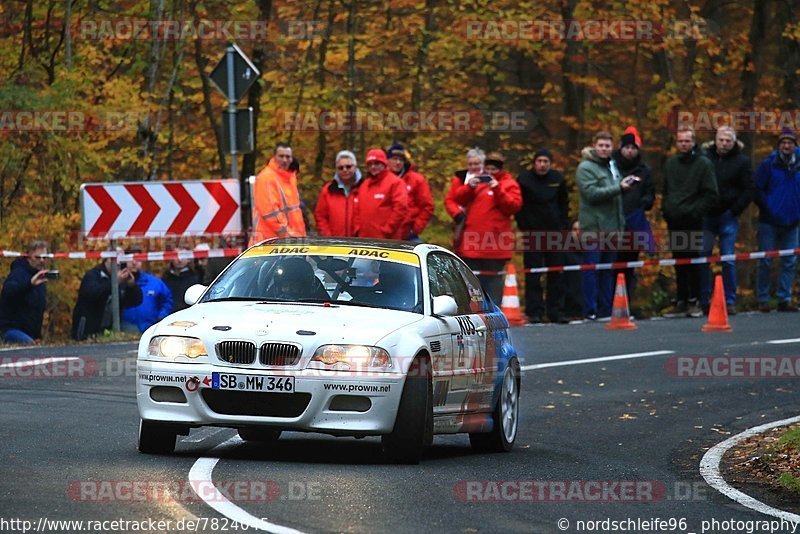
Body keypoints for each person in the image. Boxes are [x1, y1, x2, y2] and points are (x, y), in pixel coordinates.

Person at [577, 131, 638, 320]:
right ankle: (590, 310)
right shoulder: (585, 167)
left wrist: (625, 184)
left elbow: (615, 194)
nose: (604, 149)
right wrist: (619, 187)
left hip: (612, 228)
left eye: (607, 146)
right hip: (594, 229)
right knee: (592, 269)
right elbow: (592, 194)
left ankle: (605, 309)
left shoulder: (611, 164)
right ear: (594, 146)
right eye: (601, 145)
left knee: (608, 271)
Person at [451, 151, 522, 305]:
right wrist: (469, 186)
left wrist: (498, 189)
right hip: (471, 243)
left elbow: (513, 206)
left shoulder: (509, 184)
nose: (490, 173)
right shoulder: (476, 182)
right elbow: (457, 198)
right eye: (487, 169)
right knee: (471, 283)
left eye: (494, 170)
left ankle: (494, 313)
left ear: (500, 169)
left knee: (493, 283)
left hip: (495, 244)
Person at [662, 127, 719, 317]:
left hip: (693, 218)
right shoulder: (671, 164)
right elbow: (666, 189)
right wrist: (667, 209)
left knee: (693, 260)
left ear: (693, 142)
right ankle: (681, 299)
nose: (683, 144)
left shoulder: (703, 163)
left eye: (687, 141)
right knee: (679, 261)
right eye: (680, 141)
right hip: (674, 217)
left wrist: (696, 212)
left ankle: (694, 300)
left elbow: (711, 193)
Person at [699, 126, 754, 316]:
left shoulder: (742, 161)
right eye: (721, 140)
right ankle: (703, 299)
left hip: (728, 215)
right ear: (716, 140)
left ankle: (729, 300)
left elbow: (748, 189)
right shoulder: (704, 158)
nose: (724, 143)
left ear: (734, 142)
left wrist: (735, 210)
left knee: (728, 258)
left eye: (728, 140)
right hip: (706, 214)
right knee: (702, 257)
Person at [515, 148, 569, 323]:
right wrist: (524, 226)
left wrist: (562, 227)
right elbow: (519, 206)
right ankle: (534, 312)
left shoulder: (557, 179)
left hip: (554, 234)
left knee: (556, 273)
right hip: (532, 233)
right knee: (533, 274)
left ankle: (556, 311)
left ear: (550, 163)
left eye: (546, 161)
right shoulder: (524, 179)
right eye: (539, 161)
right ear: (534, 163)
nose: (542, 165)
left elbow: (564, 204)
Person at [754, 128, 800, 312]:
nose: (786, 146)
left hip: (793, 220)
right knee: (765, 259)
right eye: (783, 143)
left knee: (789, 260)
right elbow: (757, 189)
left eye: (790, 143)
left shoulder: (798, 165)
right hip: (769, 220)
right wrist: (768, 208)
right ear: (779, 145)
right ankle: (763, 298)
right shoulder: (769, 164)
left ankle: (784, 297)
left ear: (795, 145)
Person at [612, 126, 655, 303]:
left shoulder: (645, 170)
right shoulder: (611, 166)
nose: (629, 151)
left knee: (629, 264)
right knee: (612, 263)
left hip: (634, 222)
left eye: (633, 148)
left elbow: (650, 193)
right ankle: (609, 302)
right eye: (627, 147)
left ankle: (626, 301)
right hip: (613, 221)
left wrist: (645, 202)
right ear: (621, 148)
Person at [71, 259, 143, 341]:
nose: (119, 264)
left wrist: (132, 286)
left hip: (109, 329)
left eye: (122, 261)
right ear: (107, 260)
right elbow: (93, 294)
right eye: (116, 261)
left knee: (133, 331)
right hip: (87, 329)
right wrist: (114, 282)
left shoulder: (121, 279)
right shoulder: (93, 275)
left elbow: (135, 301)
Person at [250, 143, 307, 245]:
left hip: (288, 240)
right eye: (281, 156)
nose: (285, 160)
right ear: (274, 157)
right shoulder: (266, 178)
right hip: (269, 241)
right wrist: (288, 234)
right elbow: (270, 213)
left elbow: (294, 212)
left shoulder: (290, 177)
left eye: (288, 157)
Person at [0, 241, 51, 343]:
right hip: (11, 329)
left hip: (29, 334)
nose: (41, 261)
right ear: (28, 257)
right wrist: (29, 284)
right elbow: (8, 291)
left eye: (44, 257)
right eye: (37, 257)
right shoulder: (18, 273)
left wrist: (37, 336)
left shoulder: (40, 279)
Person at [354, 148, 408, 239]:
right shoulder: (364, 185)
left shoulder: (395, 182)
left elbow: (400, 208)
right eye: (370, 164)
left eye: (376, 163)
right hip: (364, 238)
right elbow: (357, 209)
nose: (373, 167)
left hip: (387, 239)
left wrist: (387, 230)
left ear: (384, 164)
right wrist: (357, 229)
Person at [386, 143, 434, 241]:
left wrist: (416, 228)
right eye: (394, 159)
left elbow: (427, 206)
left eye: (401, 159)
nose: (398, 162)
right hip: (385, 233)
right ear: (388, 161)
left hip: (408, 234)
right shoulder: (381, 180)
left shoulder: (416, 180)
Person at [444, 148, 485, 254]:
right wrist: (457, 214)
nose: (473, 167)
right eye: (470, 164)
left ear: (482, 164)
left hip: (481, 221)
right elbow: (450, 199)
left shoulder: (488, 178)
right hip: (462, 220)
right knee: (459, 247)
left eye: (476, 164)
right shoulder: (460, 178)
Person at [315, 150, 363, 237]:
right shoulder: (328, 190)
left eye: (348, 167)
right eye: (341, 168)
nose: (344, 170)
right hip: (335, 243)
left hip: (360, 243)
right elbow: (320, 216)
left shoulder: (365, 188)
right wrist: (328, 237)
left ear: (355, 167)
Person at [122, 254, 174, 333]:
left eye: (138, 259)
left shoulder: (155, 282)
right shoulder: (118, 283)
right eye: (130, 259)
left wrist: (161, 317)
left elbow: (167, 301)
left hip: (150, 329)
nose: (134, 263)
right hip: (125, 330)